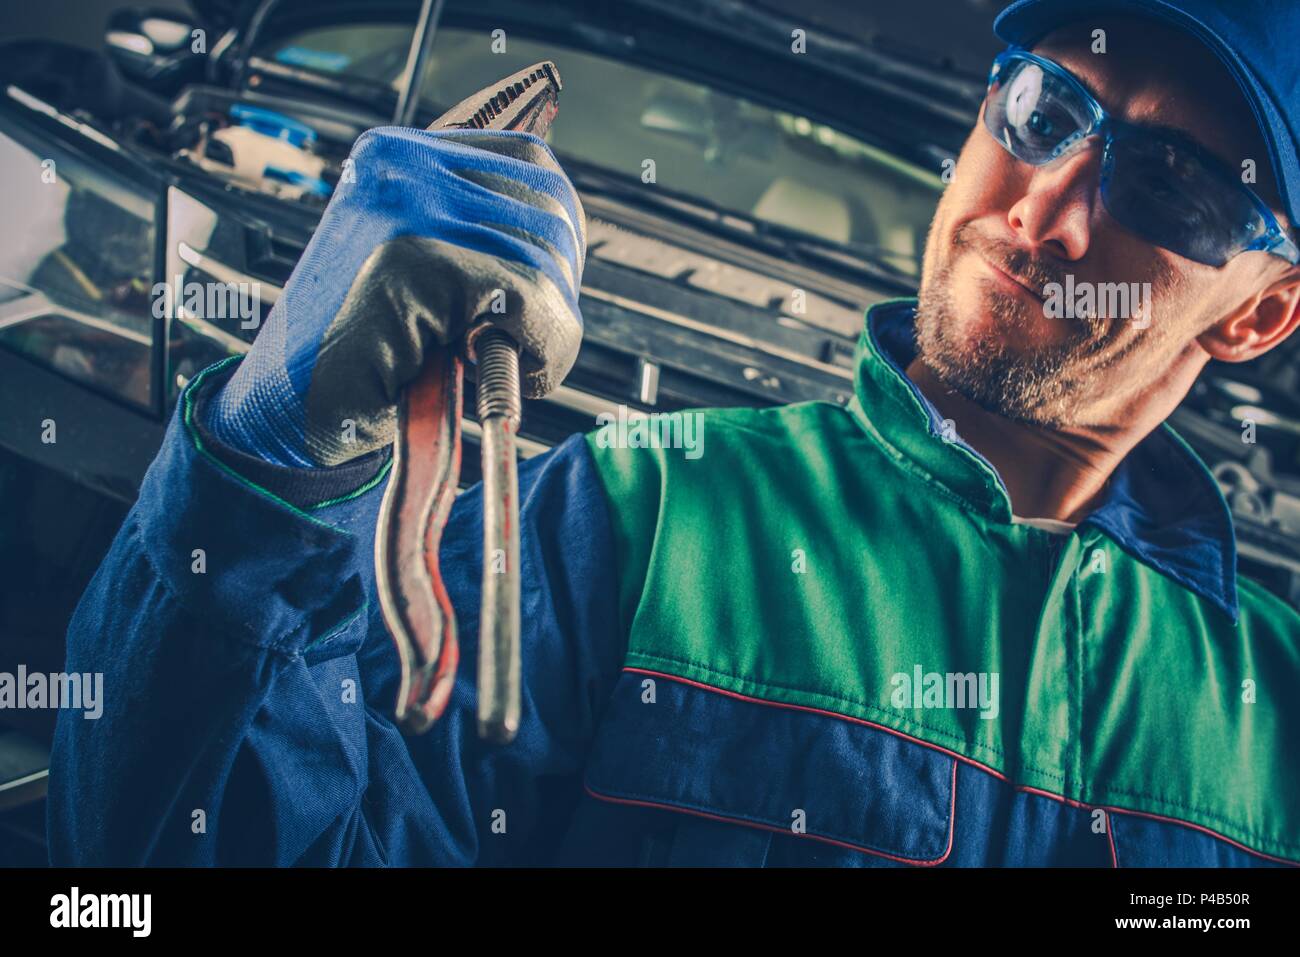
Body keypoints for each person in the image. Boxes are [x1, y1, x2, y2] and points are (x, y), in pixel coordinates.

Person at [49, 0, 1300, 866]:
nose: (1046, 210)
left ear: (1260, 313)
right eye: (1040, 112)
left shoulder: (1277, 707)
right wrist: (269, 473)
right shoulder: (631, 515)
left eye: (1170, 185)